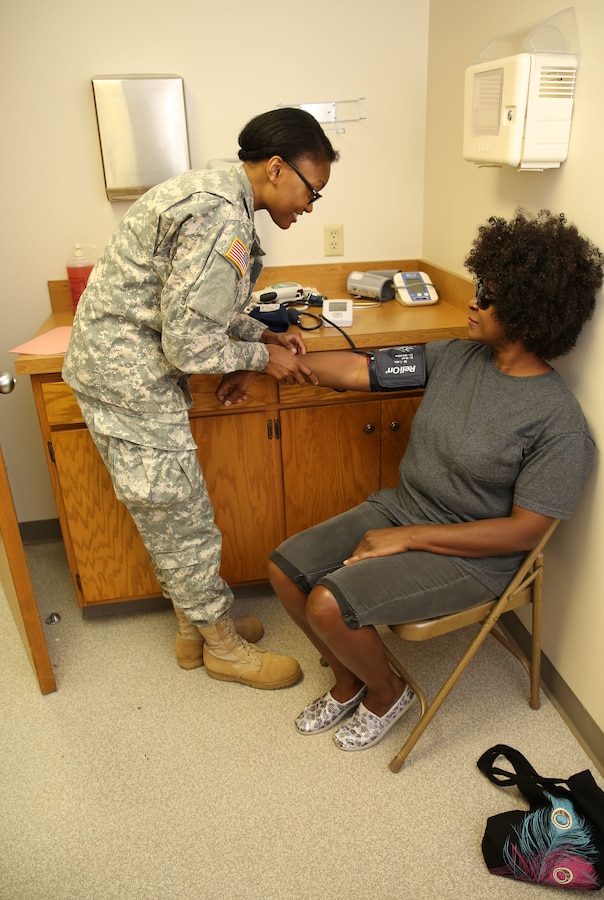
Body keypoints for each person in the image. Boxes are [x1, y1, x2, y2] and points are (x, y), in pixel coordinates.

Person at [264, 209, 604, 749]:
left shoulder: (558, 422)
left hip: (476, 557)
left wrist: (408, 538)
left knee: (329, 603)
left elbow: (523, 534)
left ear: (530, 311)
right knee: (286, 570)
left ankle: (386, 693)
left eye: (489, 295)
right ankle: (349, 678)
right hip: (403, 508)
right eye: (479, 286)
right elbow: (361, 370)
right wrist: (275, 357)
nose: (474, 300)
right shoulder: (454, 356)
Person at [62, 108, 339, 689]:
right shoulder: (222, 218)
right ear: (277, 167)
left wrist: (258, 333)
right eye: (312, 190)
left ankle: (195, 630)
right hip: (128, 380)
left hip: (128, 370)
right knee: (183, 518)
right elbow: (188, 344)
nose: (312, 206)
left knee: (173, 512)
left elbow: (197, 308)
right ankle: (222, 648)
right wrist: (267, 360)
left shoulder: (215, 195)